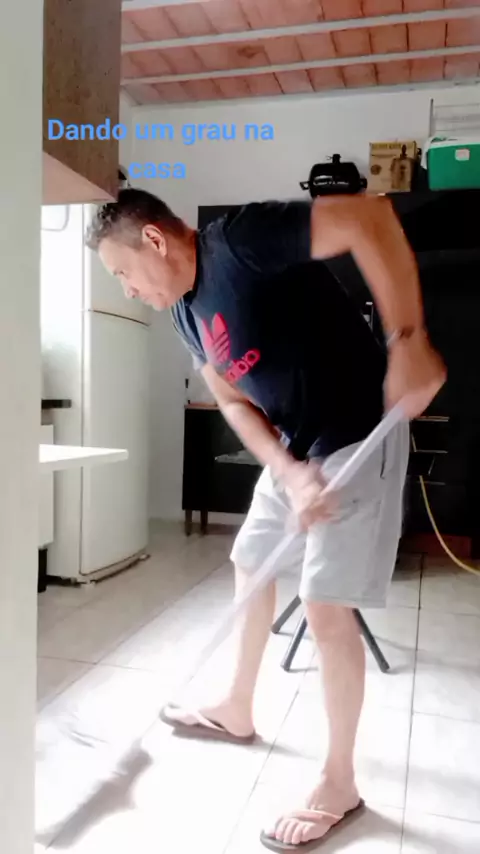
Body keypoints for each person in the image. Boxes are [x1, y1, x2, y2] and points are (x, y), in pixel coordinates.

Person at [86, 188, 445, 851]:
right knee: (250, 560)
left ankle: (340, 783)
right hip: (296, 449)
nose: (127, 290)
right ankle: (237, 706)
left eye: (122, 273)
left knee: (325, 605)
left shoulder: (241, 243)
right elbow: (232, 402)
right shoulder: (185, 313)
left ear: (154, 241)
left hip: (359, 430)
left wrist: (408, 339)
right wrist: (289, 472)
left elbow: (371, 217)